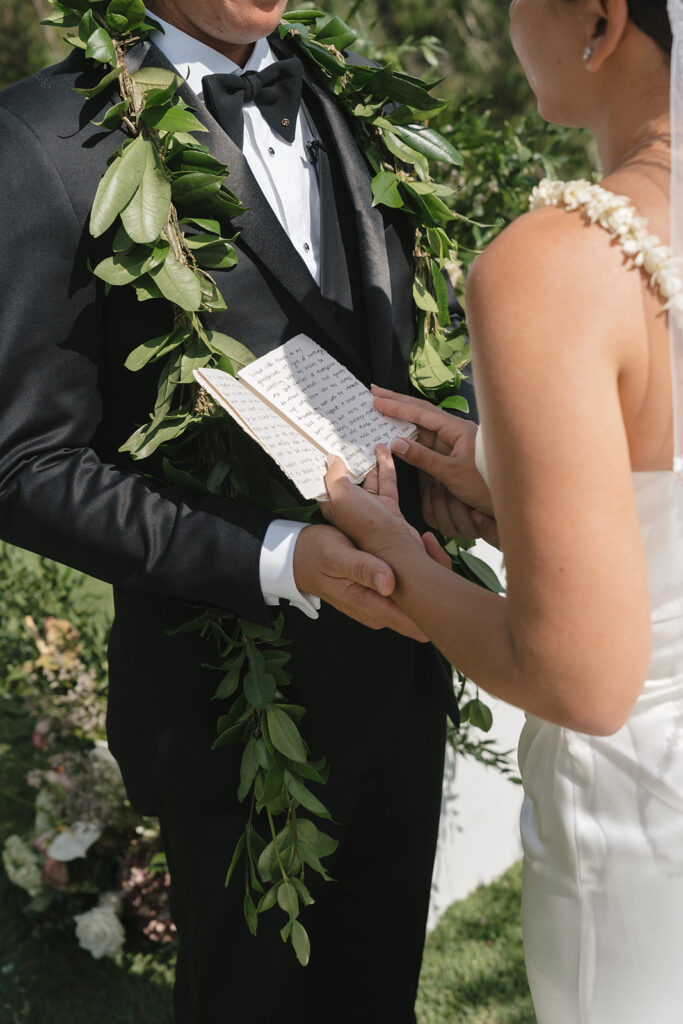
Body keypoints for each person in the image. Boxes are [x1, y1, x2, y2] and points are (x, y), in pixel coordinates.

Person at [0, 2, 463, 1021]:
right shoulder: (45, 140)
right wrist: (280, 557)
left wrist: (457, 465)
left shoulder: (350, 99)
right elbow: (24, 462)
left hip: (403, 665)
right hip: (227, 702)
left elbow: (394, 349)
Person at [322, 1, 683, 1021]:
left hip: (645, 836)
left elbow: (578, 682)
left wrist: (401, 554)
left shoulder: (556, 264)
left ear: (600, 19)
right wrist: (518, 476)